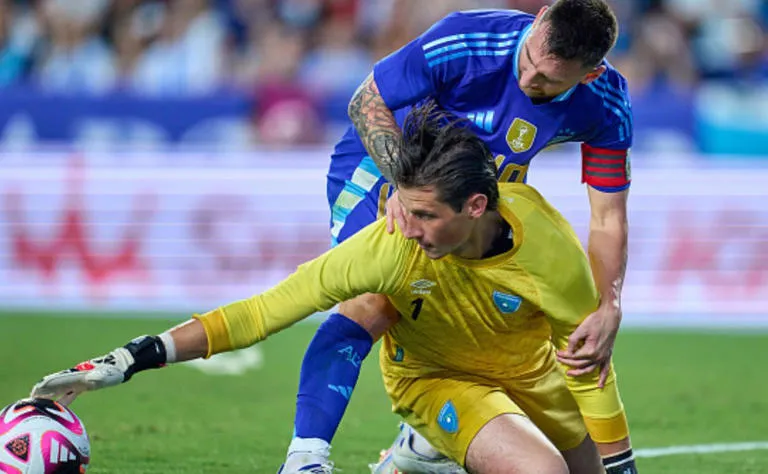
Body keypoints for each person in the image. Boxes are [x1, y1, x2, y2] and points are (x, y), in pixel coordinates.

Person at [32, 104, 620, 474]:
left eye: (422, 214)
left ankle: (417, 454)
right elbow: (264, 312)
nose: (404, 226)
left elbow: (590, 358)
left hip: (533, 374)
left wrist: (622, 464)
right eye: (400, 206)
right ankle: (326, 448)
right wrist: (134, 357)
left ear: (475, 206)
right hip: (442, 379)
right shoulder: (388, 244)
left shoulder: (548, 244)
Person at [295, 0, 635, 473]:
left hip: (472, 199)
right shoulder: (467, 39)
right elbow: (365, 102)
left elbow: (608, 218)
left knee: (497, 318)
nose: (529, 80)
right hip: (381, 169)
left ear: (589, 74)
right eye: (530, 60)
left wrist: (607, 305)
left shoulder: (605, 102)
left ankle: (426, 441)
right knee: (374, 301)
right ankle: (306, 457)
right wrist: (404, 186)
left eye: (548, 80)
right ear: (537, 22)